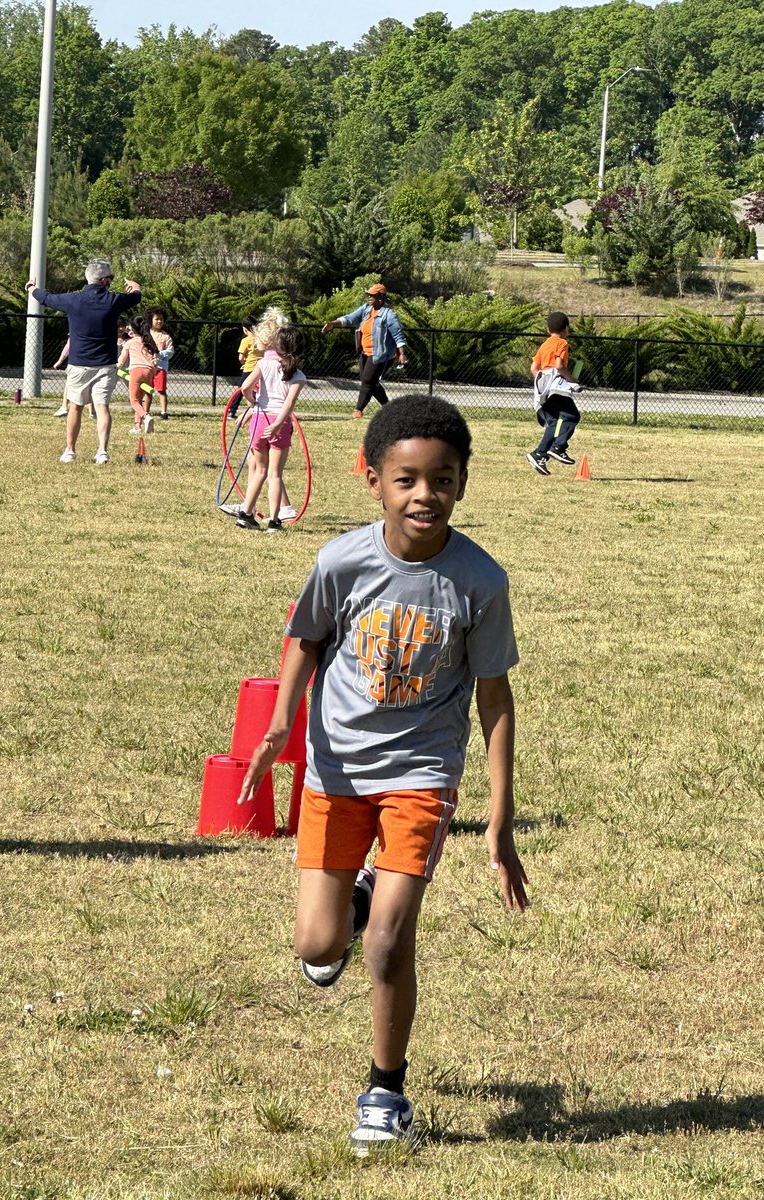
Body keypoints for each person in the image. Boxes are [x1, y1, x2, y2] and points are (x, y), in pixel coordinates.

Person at [238, 395, 528, 1155]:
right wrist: (280, 727)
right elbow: (305, 638)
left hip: (422, 772)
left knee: (389, 943)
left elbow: (495, 698)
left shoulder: (479, 581)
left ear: (462, 483)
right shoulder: (341, 561)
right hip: (334, 770)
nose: (423, 495)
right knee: (317, 947)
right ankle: (354, 904)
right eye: (406, 479)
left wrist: (499, 817)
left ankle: (385, 1091)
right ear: (372, 480)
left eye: (441, 479)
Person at [27, 260, 141, 465]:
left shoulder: (73, 300)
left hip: (79, 364)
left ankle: (70, 450)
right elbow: (135, 297)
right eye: (111, 278)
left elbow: (46, 298)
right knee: (102, 407)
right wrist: (136, 287)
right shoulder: (113, 300)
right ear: (104, 280)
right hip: (106, 364)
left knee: (75, 407)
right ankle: (101, 451)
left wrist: (32, 288)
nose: (111, 282)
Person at [234, 325, 306, 532]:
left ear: (278, 345)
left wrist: (252, 402)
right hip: (279, 423)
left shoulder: (264, 363)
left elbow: (245, 387)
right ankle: (274, 521)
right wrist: (276, 425)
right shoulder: (298, 375)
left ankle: (246, 513)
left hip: (259, 420)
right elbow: (289, 404)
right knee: (275, 474)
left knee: (260, 471)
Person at [321, 283, 407, 419]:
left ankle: (358, 410)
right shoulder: (366, 310)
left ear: (381, 297)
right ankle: (389, 409)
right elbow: (350, 318)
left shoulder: (389, 315)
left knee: (367, 380)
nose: (369, 297)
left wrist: (401, 353)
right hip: (365, 352)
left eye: (372, 295)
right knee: (372, 383)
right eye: (369, 295)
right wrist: (333, 324)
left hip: (380, 355)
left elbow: (398, 335)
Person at [525, 312, 583, 476]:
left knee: (553, 423)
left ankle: (539, 454)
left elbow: (534, 368)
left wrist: (543, 381)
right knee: (571, 416)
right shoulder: (562, 343)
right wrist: (572, 379)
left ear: (547, 329)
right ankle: (558, 447)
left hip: (543, 389)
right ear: (566, 329)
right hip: (557, 388)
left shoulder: (544, 345)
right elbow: (558, 366)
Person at [118, 315, 158, 436]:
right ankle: (137, 426)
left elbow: (122, 360)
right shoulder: (149, 341)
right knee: (140, 400)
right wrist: (153, 371)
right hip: (149, 372)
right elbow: (156, 359)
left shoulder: (130, 342)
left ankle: (146, 417)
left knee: (134, 401)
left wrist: (116, 367)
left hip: (136, 371)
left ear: (133, 330)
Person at [228, 315, 262, 419]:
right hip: (260, 369)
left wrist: (244, 364)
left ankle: (232, 410)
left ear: (245, 329)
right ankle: (258, 410)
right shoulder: (261, 340)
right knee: (258, 390)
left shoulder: (246, 340)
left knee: (241, 389)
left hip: (249, 369)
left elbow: (240, 357)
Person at [146, 308, 174, 421]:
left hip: (160, 368)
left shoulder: (165, 337)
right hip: (147, 367)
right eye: (156, 319)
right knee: (147, 390)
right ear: (150, 320)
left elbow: (170, 352)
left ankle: (163, 412)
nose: (159, 321)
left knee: (161, 390)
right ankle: (145, 412)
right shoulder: (146, 334)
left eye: (161, 319)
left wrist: (159, 353)